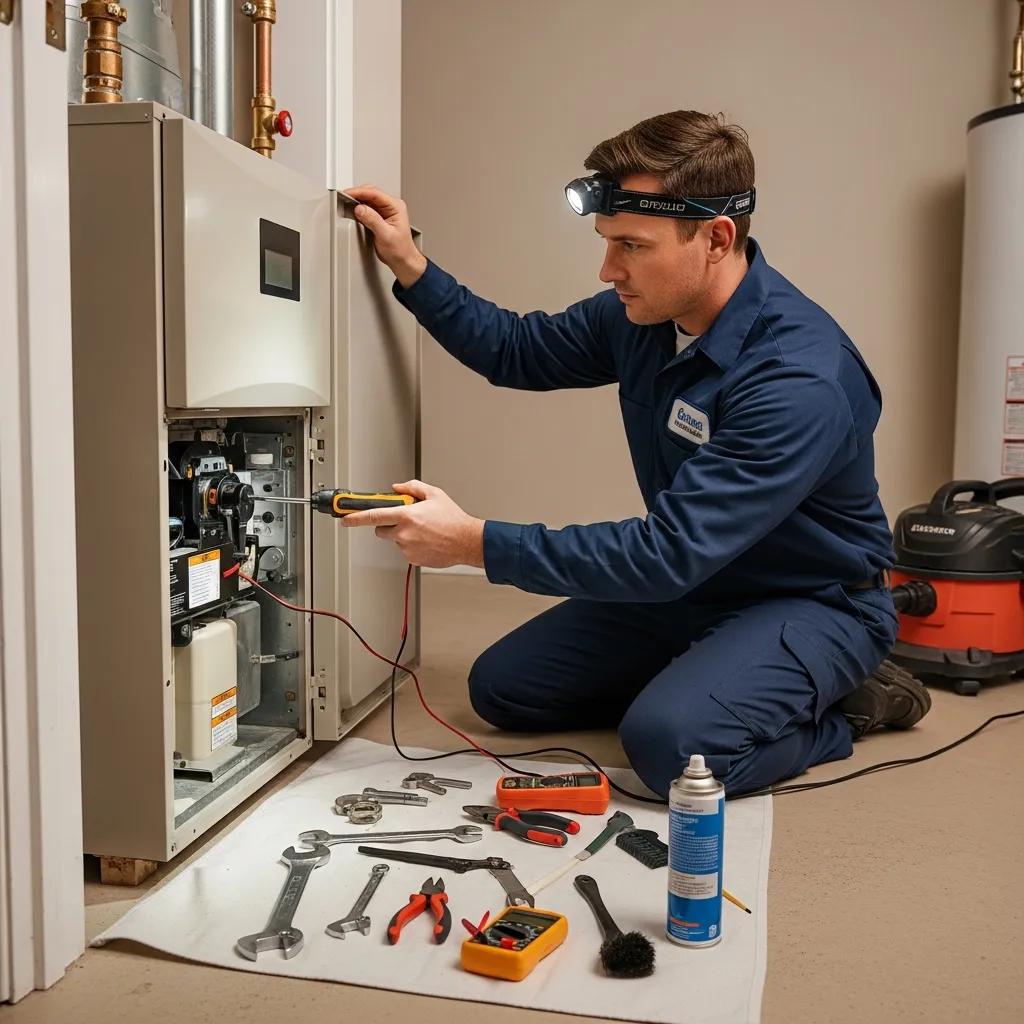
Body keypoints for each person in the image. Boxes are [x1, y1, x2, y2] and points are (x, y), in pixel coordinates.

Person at [340, 110, 930, 797]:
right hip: (696, 586)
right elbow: (517, 350)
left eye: (631, 245)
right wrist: (409, 262)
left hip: (811, 602)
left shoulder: (798, 377)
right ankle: (717, 674)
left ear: (716, 238)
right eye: (605, 240)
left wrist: (473, 543)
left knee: (671, 749)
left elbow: (664, 553)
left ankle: (848, 705)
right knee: (505, 691)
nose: (607, 268)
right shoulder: (642, 315)